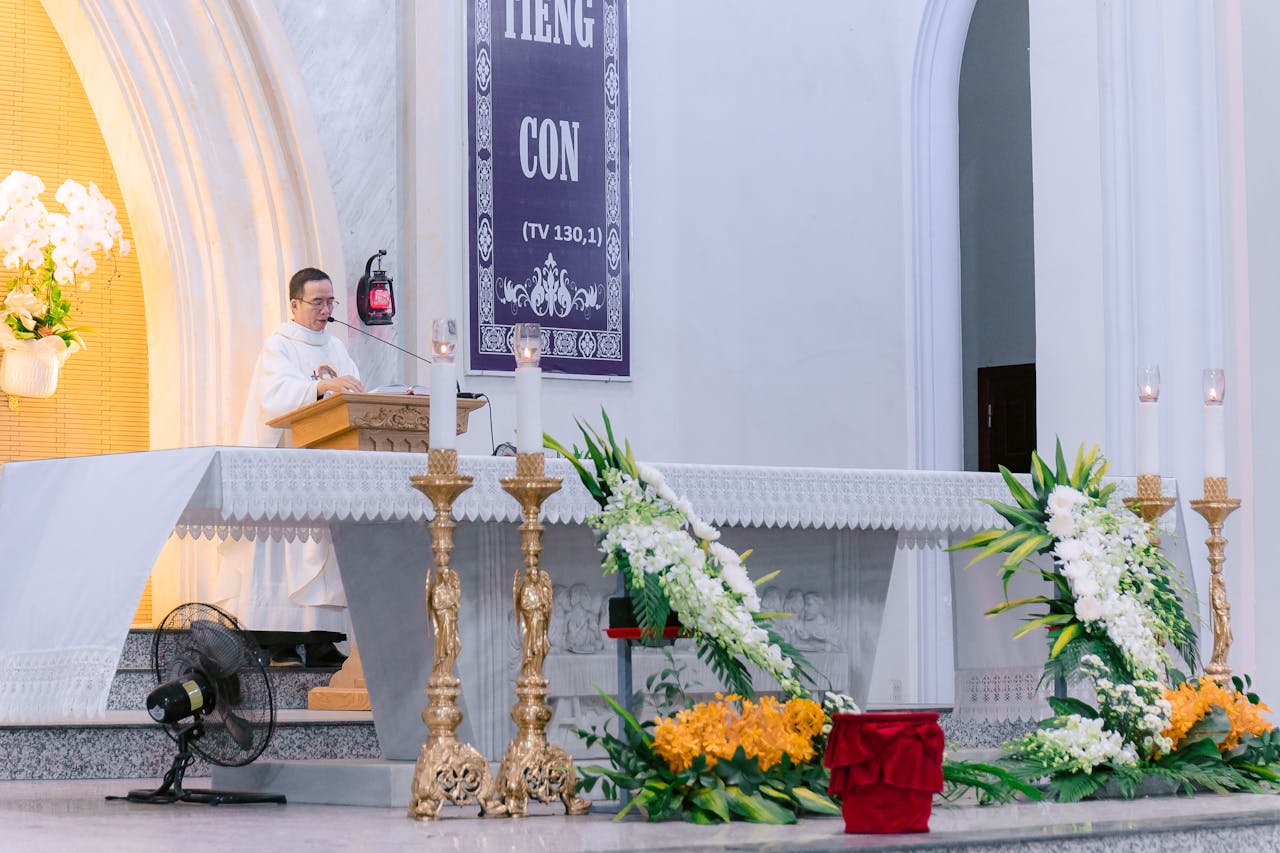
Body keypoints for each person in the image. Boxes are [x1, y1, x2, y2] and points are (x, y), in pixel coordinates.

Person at [214, 267, 365, 665]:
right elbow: (275, 399)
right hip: (286, 468)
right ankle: (274, 638)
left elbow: (354, 389)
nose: (326, 310)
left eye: (330, 301)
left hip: (327, 467)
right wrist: (320, 387)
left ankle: (320, 639)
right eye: (317, 302)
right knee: (282, 550)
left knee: (323, 551)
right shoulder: (279, 346)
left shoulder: (336, 348)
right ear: (295, 304)